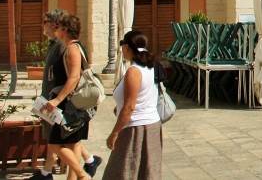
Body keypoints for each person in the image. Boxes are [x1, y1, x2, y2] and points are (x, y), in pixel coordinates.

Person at [29, 10, 102, 180]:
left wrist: (57, 100)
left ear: (65, 30)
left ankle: (82, 175)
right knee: (69, 142)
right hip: (67, 103)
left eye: (59, 27)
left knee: (58, 143)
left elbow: (74, 77)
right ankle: (81, 170)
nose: (55, 29)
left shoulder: (71, 48)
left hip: (69, 104)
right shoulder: (66, 46)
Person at [104, 30, 162, 180]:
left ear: (127, 47)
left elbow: (130, 107)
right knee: (147, 172)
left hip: (136, 128)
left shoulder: (134, 71)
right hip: (151, 125)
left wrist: (114, 132)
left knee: (124, 171)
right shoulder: (150, 66)